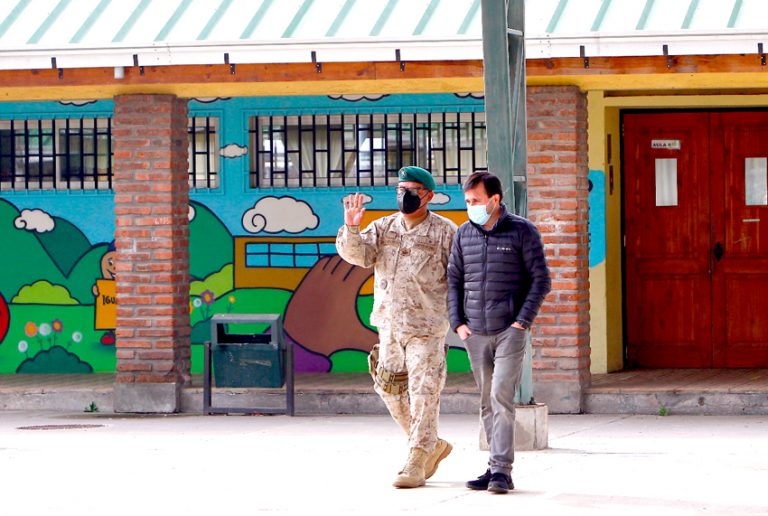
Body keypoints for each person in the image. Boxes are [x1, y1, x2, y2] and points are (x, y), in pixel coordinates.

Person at [336, 166, 458, 489]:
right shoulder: (384, 228)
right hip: (389, 327)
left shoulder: (446, 232)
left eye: (413, 189)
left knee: (423, 390)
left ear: (428, 196)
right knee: (389, 390)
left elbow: (462, 277)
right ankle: (432, 444)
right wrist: (351, 228)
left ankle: (416, 459)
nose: (405, 195)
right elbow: (357, 255)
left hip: (426, 328)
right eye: (401, 189)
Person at [447, 171, 551, 494]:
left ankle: (502, 471)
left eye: (475, 201)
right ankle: (493, 467)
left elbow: (541, 280)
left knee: (500, 396)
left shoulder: (523, 231)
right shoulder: (464, 235)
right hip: (474, 332)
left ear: (495, 200)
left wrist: (522, 321)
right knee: (486, 401)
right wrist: (458, 324)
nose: (470, 207)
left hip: (510, 330)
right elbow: (453, 280)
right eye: (467, 201)